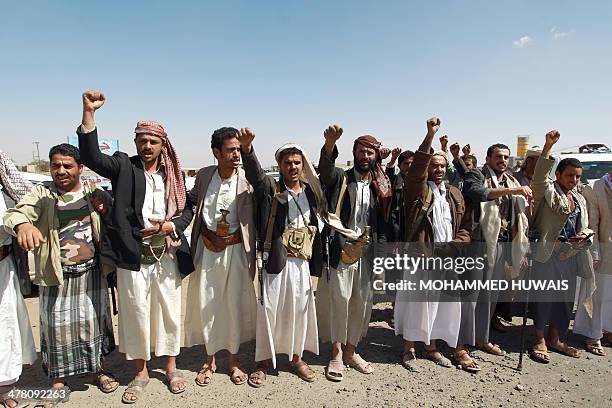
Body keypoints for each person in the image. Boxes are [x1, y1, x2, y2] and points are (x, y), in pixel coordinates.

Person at [77, 90, 194, 403]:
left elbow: (188, 209)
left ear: (162, 144)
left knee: (169, 311)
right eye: (142, 141)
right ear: (136, 142)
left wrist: (173, 226)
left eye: (153, 142)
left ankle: (170, 367)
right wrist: (90, 114)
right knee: (136, 312)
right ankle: (141, 371)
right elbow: (91, 158)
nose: (147, 146)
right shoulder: (124, 167)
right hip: (133, 254)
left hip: (166, 252)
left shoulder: (174, 175)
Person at [4, 144, 117, 395]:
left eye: (68, 166)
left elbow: (115, 218)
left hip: (92, 273)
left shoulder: (93, 192)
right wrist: (23, 226)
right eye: (56, 165)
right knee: (56, 327)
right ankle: (58, 379)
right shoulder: (42, 194)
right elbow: (15, 214)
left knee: (94, 323)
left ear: (80, 168)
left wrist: (106, 210)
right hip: (56, 275)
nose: (61, 171)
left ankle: (100, 370)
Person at [239, 128, 323, 387]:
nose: (293, 167)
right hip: (276, 261)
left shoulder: (310, 192)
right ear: (280, 165)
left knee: (299, 310)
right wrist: (247, 150)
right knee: (270, 310)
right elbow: (254, 174)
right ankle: (264, 361)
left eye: (297, 162)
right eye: (288, 163)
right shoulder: (269, 188)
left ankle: (295, 357)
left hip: (301, 263)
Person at [394, 118, 477, 373]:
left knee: (442, 304)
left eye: (442, 166)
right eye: (434, 165)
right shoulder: (417, 190)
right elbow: (417, 167)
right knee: (417, 302)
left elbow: (466, 225)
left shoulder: (453, 193)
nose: (438, 170)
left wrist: (456, 244)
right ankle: (409, 348)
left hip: (448, 256)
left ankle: (431, 347)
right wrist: (430, 136)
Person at [183, 127, 257, 386]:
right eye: (231, 150)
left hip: (236, 251)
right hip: (207, 250)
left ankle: (233, 361)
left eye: (238, 149)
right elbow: (191, 202)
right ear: (216, 152)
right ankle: (209, 359)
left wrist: (249, 151)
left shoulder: (247, 178)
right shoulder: (204, 176)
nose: (236, 154)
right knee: (208, 305)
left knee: (232, 306)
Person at [316, 125, 389, 382]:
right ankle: (335, 352)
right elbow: (325, 171)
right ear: (354, 153)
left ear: (376, 156)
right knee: (340, 300)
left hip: (367, 252)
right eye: (362, 151)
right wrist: (329, 144)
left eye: (371, 152)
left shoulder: (381, 186)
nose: (365, 156)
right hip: (342, 249)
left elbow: (383, 222)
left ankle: (351, 351)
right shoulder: (341, 178)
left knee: (362, 302)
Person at [529, 130, 595, 363]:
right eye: (569, 176)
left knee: (565, 300)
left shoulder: (579, 198)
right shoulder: (549, 192)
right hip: (548, 254)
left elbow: (586, 226)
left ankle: (555, 339)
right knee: (543, 298)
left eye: (577, 177)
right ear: (558, 174)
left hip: (570, 256)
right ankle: (538, 339)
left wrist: (582, 238)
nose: (573, 180)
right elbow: (538, 177)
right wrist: (548, 147)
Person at [460, 142, 531, 356]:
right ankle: (461, 342)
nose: (503, 161)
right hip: (479, 243)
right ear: (488, 158)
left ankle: (482, 338)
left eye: (506, 157)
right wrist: (514, 190)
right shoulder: (476, 175)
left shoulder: (509, 179)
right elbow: (479, 193)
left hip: (501, 244)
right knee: (471, 294)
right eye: (498, 157)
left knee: (490, 295)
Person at [0, 150, 37, 408]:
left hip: (1, 266)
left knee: (5, 328)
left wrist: (22, 223)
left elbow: (26, 202)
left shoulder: (5, 192)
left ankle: (5, 388)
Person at [574, 170, 612, 355]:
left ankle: (608, 330)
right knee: (597, 294)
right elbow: (592, 224)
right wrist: (594, 253)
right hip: (604, 251)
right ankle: (593, 334)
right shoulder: (595, 188)